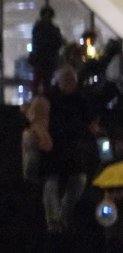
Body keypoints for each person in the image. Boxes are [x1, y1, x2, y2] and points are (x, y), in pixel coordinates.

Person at [37, 66, 98, 233]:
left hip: (72, 149)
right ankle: (54, 223)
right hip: (52, 147)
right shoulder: (49, 99)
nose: (71, 85)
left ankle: (63, 216)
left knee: (79, 180)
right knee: (51, 184)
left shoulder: (79, 100)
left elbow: (91, 122)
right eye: (68, 81)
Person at [29, 4, 65, 87]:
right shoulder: (44, 29)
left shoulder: (39, 28)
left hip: (45, 61)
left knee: (43, 82)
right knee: (41, 82)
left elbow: (58, 43)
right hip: (44, 60)